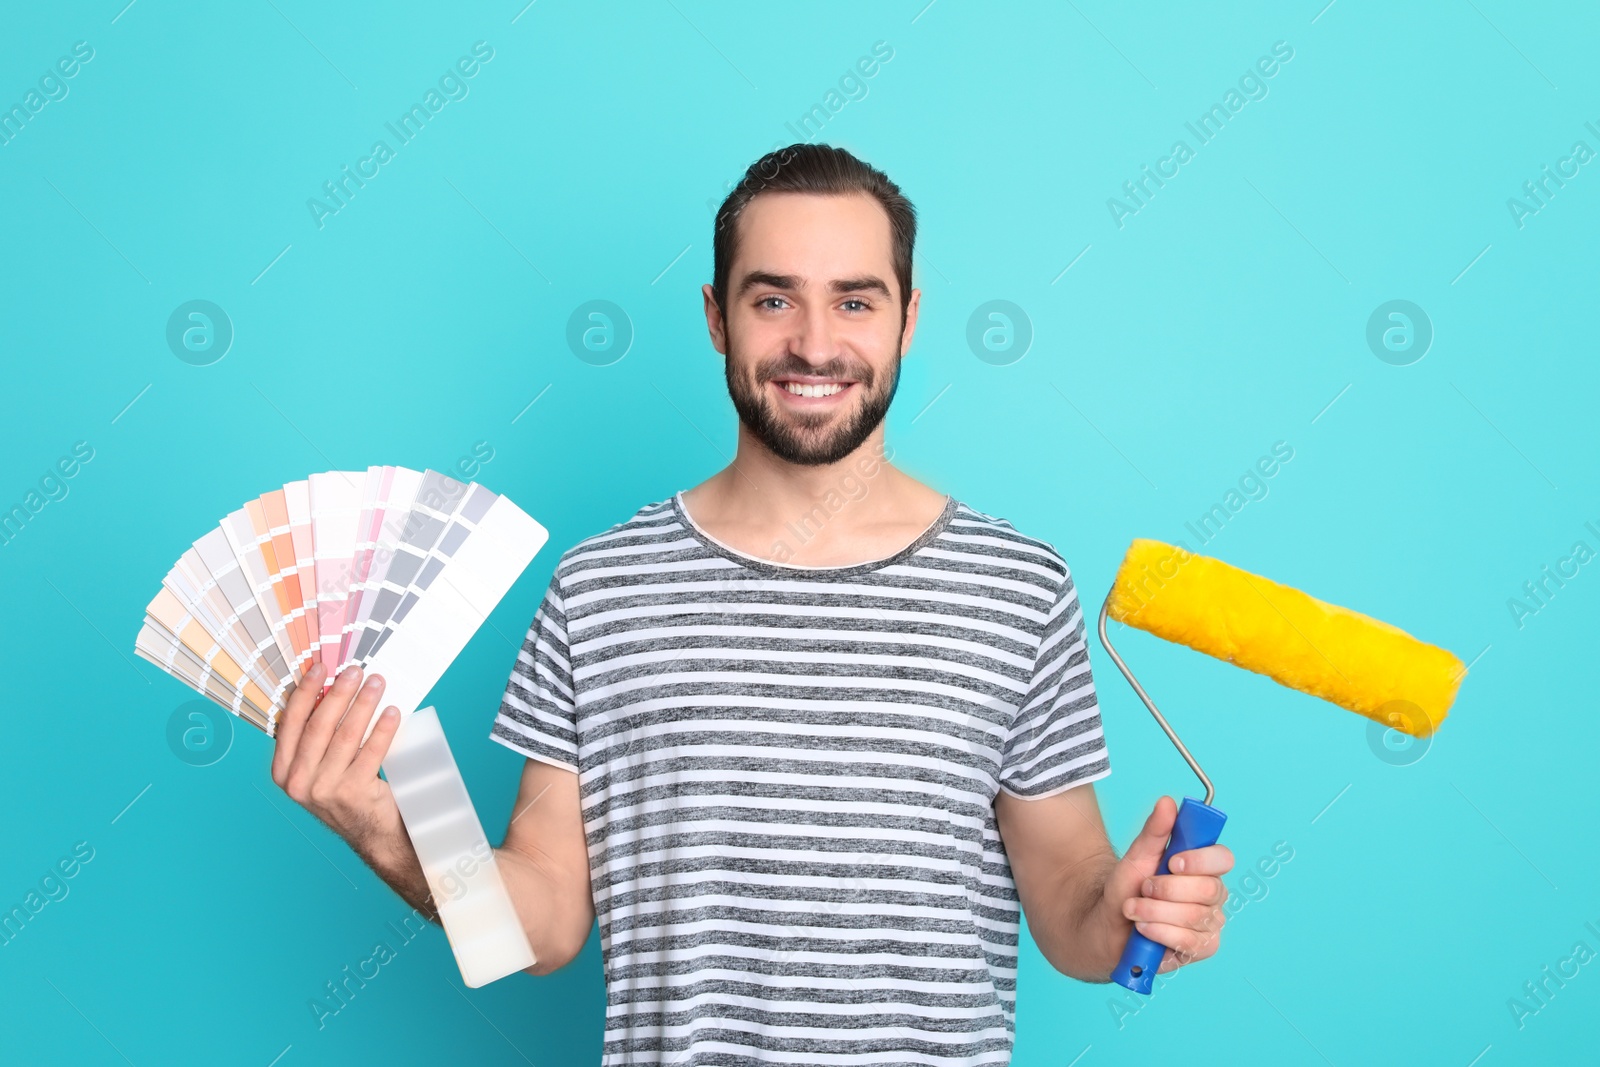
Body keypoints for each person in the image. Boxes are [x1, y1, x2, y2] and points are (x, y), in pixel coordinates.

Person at [271, 142, 1234, 1065]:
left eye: (854, 300)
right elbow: (545, 923)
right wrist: (389, 823)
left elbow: (1071, 908)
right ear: (716, 318)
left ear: (907, 319)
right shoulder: (598, 587)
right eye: (774, 298)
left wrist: (1131, 908)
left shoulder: (1020, 587)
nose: (815, 343)